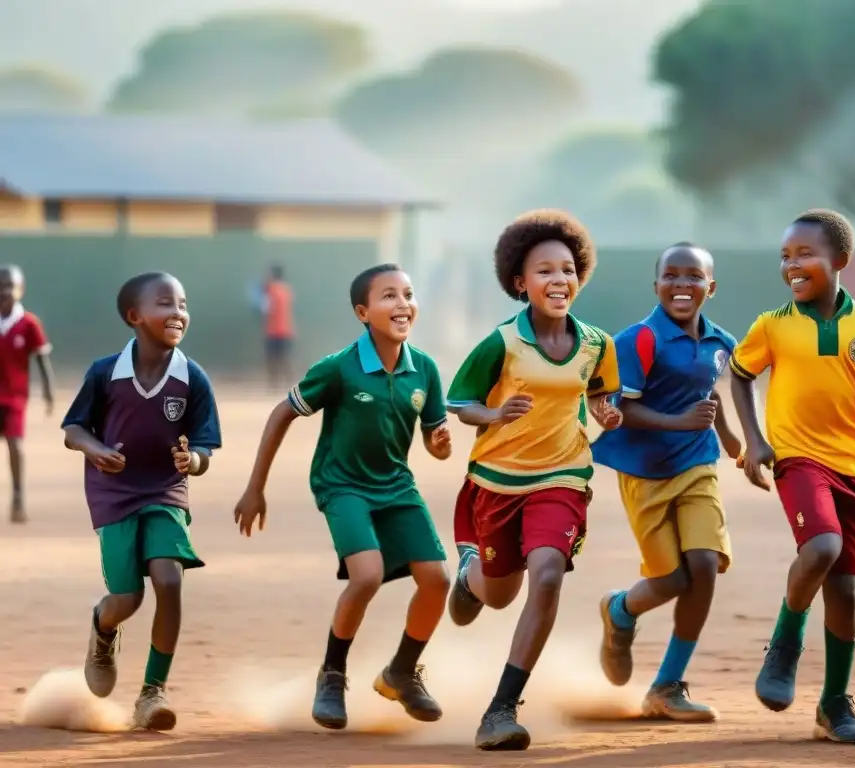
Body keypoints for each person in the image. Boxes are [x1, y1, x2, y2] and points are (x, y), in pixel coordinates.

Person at [233, 263, 452, 731]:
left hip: (396, 485)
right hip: (343, 485)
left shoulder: (426, 370)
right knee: (367, 575)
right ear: (362, 312)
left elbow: (434, 436)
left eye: (408, 294)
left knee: (436, 580)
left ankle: (401, 672)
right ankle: (332, 675)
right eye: (388, 296)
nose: (402, 304)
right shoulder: (339, 368)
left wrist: (440, 443)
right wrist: (256, 488)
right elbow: (280, 415)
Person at [729, 209, 855, 746]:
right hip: (799, 459)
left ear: (840, 260)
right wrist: (757, 441)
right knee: (821, 547)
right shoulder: (772, 325)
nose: (792, 265)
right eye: (785, 256)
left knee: (846, 592)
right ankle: (784, 645)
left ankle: (833, 705)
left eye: (804, 254)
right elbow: (739, 377)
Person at [445, 209, 622, 751]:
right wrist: (493, 416)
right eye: (544, 271)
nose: (559, 280)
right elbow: (460, 402)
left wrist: (606, 412)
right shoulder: (500, 344)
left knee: (547, 575)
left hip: (563, 475)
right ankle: (471, 573)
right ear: (520, 283)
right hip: (497, 482)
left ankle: (501, 709)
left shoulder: (596, 343)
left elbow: (599, 392)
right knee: (498, 598)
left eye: (567, 269)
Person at [61, 272, 222, 731]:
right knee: (126, 597)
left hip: (165, 491)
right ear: (134, 316)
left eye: (183, 304)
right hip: (113, 494)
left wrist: (191, 460)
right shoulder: (104, 372)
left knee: (169, 581)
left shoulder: (192, 377)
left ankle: (153, 693)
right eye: (165, 303)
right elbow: (74, 430)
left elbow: (206, 449)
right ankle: (102, 628)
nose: (178, 313)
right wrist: (97, 450)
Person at [591, 243, 742, 722]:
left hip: (698, 465)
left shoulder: (722, 342)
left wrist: (734, 440)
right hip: (645, 472)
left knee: (703, 564)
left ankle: (667, 686)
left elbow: (707, 394)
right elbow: (626, 407)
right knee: (670, 579)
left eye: (694, 277)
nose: (682, 285)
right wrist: (682, 423)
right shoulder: (637, 340)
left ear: (710, 287)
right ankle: (619, 610)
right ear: (655, 285)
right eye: (671, 276)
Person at [0, 265, 55, 523]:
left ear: (20, 290)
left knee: (15, 445)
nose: (4, 292)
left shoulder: (29, 324)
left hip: (14, 398)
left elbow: (42, 360)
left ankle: (18, 496)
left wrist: (49, 391)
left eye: (9, 287)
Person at [262, 265, 295, 390]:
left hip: (273, 330)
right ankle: (291, 384)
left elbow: (266, 308)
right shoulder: (287, 289)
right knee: (286, 358)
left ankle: (274, 385)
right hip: (287, 330)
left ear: (272, 275)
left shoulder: (270, 290)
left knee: (272, 359)